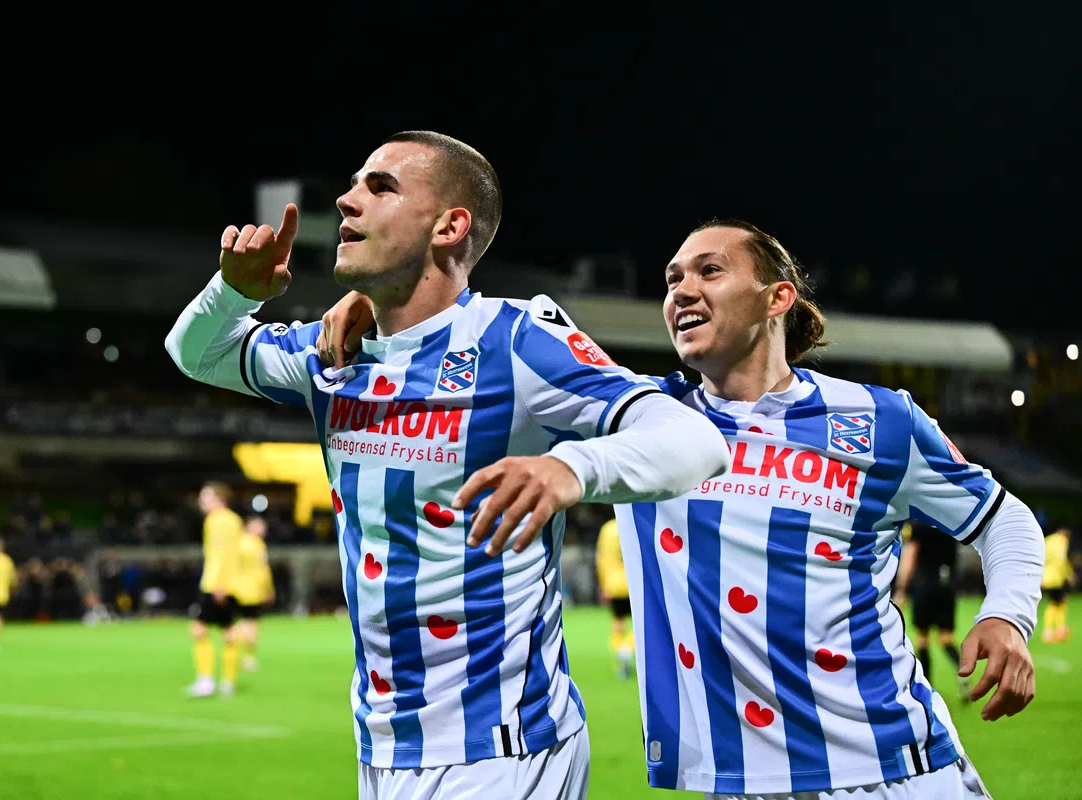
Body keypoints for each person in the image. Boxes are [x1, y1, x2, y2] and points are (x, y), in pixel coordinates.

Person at [321, 218, 1044, 800]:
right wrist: (400, 320)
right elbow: (506, 351)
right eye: (671, 279)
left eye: (708, 271)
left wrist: (1007, 615)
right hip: (730, 780)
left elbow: (1003, 519)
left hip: (895, 765)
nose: (681, 291)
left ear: (777, 298)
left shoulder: (878, 420)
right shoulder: (643, 422)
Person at [166, 130, 730, 800]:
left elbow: (695, 440)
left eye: (381, 187)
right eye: (354, 183)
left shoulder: (514, 339)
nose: (347, 200)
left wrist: (569, 468)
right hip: (381, 743)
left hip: (502, 747)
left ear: (449, 226)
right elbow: (195, 353)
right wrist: (233, 294)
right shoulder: (333, 354)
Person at [892, 521, 971, 702]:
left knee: (922, 639)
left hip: (925, 585)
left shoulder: (919, 525)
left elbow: (911, 554)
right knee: (946, 638)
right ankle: (963, 671)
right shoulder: (949, 523)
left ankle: (926, 689)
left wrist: (901, 588)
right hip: (947, 585)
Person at [187, 481, 245, 698]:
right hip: (232, 583)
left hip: (215, 584)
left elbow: (221, 554)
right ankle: (228, 682)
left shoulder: (216, 520)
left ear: (219, 499)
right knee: (228, 630)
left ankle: (206, 681)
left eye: (205, 497)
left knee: (198, 630)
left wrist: (220, 585)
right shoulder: (233, 520)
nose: (201, 501)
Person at [232, 514, 275, 672]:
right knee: (250, 622)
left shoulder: (250, 543)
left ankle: (244, 655)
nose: (262, 529)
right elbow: (263, 570)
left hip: (250, 589)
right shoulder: (248, 544)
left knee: (250, 621)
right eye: (258, 525)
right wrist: (268, 589)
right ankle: (242, 651)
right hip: (248, 589)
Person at [595, 517, 633, 679]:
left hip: (614, 583)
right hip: (633, 582)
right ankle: (628, 647)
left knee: (618, 620)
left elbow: (601, 560)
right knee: (645, 620)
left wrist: (603, 584)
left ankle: (619, 657)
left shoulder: (607, 529)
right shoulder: (632, 523)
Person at [1040, 524, 1073, 643]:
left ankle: (1051, 630)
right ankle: (1056, 630)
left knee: (1054, 603)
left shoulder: (1048, 540)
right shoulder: (1061, 542)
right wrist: (1069, 573)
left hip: (1045, 577)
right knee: (1059, 603)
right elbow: (1061, 560)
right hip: (1056, 578)